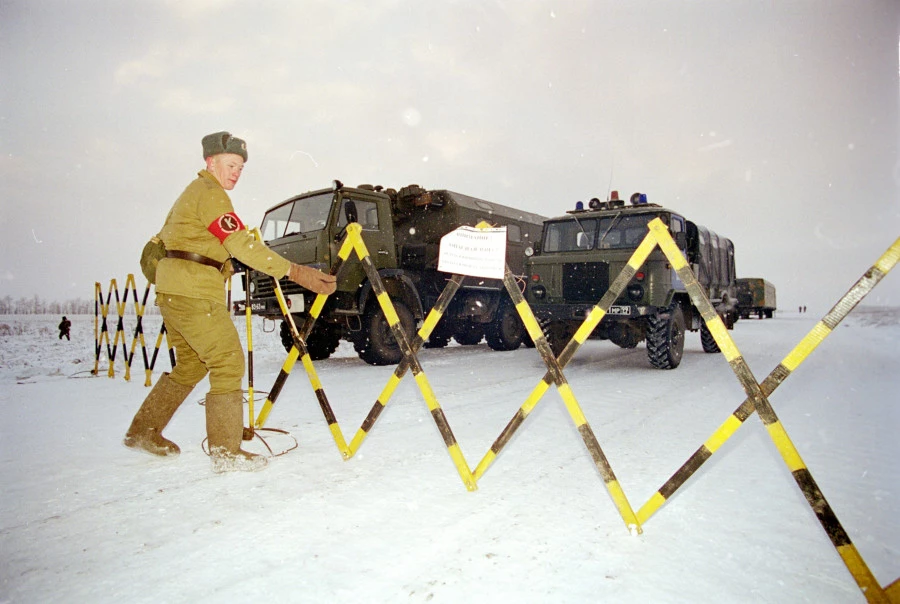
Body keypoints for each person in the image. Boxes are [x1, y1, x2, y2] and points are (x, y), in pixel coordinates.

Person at [124, 131, 336, 473]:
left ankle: (143, 431)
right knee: (228, 361)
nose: (236, 172)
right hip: (193, 292)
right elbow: (240, 243)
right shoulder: (210, 193)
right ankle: (225, 450)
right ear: (211, 162)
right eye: (230, 164)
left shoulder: (193, 194)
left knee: (191, 366)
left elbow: (198, 243)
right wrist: (296, 272)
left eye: (240, 167)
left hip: (174, 290)